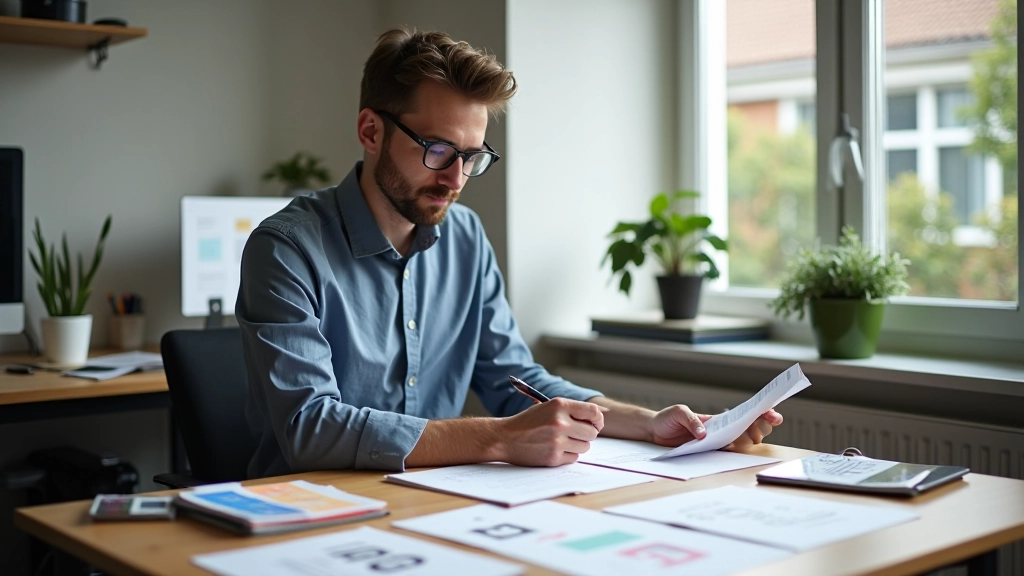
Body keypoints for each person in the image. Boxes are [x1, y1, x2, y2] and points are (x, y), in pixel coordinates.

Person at [237, 27, 783, 479]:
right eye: (437, 150)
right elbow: (310, 428)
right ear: (371, 131)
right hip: (304, 512)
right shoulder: (286, 249)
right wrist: (499, 438)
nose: (456, 178)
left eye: (472, 156)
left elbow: (514, 379)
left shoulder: (465, 237)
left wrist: (647, 423)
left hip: (429, 502)